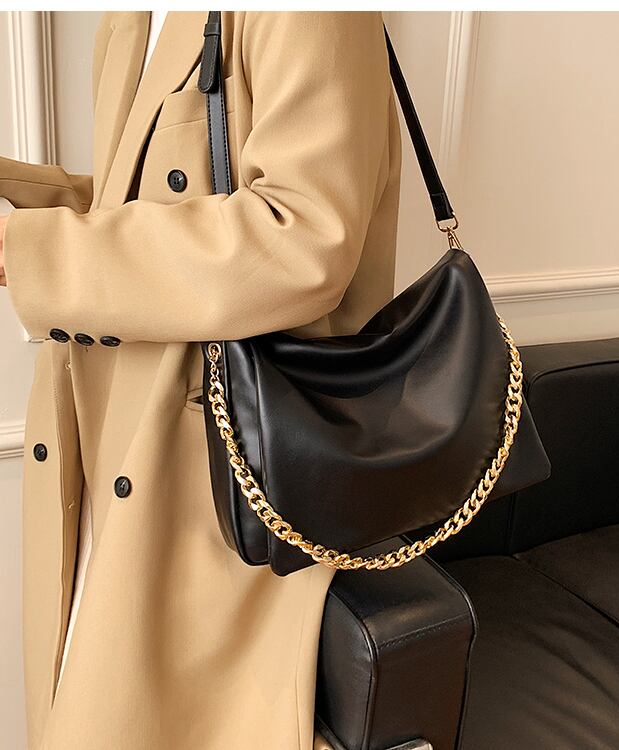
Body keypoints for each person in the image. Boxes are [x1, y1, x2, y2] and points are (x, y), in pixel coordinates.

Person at [0, 11, 401, 749]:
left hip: (216, 468)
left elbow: (303, 240)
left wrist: (30, 251)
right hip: (111, 431)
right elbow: (145, 204)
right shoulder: (133, 20)